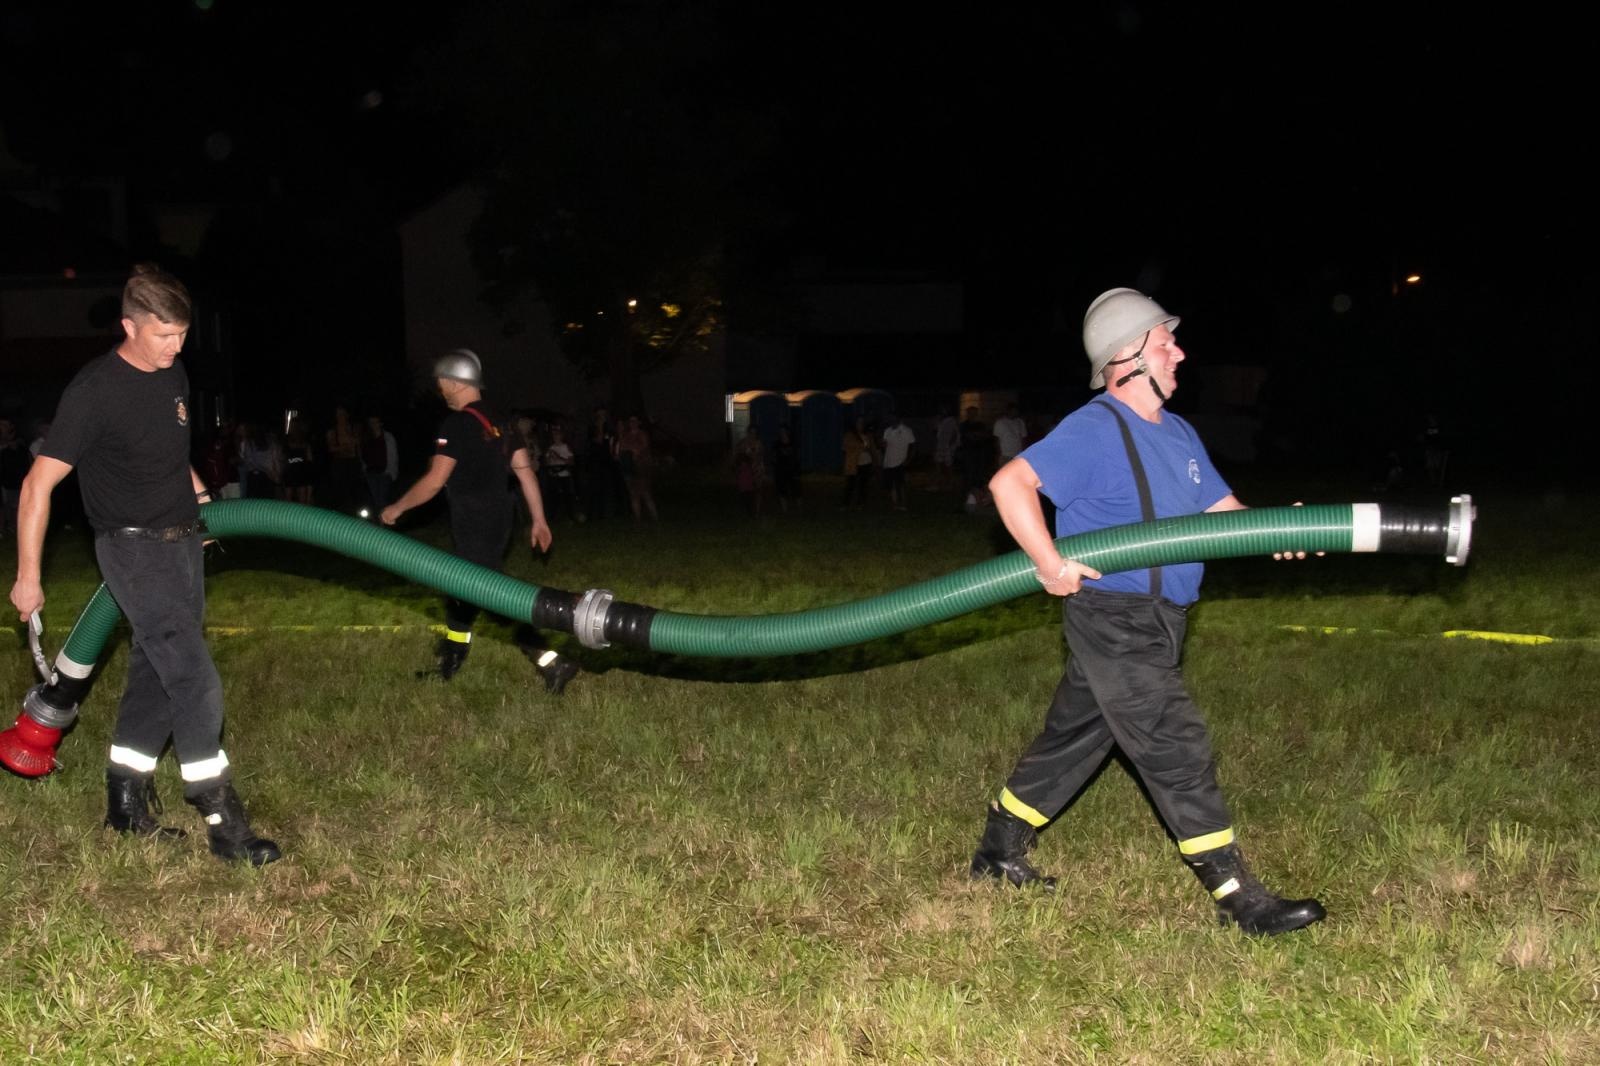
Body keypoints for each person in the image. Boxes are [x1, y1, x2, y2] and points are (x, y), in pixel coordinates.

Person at [967, 286, 1325, 937]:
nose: (1180, 353)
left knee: (1079, 734)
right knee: (1171, 740)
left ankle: (996, 851)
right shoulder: (1095, 428)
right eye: (1167, 342)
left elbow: (1224, 515)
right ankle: (1239, 894)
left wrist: (1279, 530)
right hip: (1115, 613)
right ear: (1127, 355)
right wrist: (1050, 562)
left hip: (1166, 619)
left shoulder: (1180, 433)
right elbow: (1009, 483)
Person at [7, 263, 279, 864]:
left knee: (156, 674)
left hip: (182, 541)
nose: (175, 348)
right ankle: (222, 820)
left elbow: (169, 453)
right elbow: (36, 486)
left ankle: (124, 803)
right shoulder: (94, 391)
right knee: (194, 676)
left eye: (182, 335)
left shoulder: (172, 372)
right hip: (131, 547)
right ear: (129, 325)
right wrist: (28, 577)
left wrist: (204, 506)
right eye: (163, 336)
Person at [380, 348, 580, 693]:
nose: (440, 390)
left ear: (456, 382)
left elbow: (434, 481)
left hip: (474, 521)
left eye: (442, 382)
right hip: (500, 519)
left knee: (492, 597)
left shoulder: (456, 424)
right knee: (461, 593)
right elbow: (525, 473)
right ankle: (450, 662)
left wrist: (396, 508)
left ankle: (552, 662)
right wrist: (539, 520)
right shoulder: (501, 422)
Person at [614, 414, 659, 523]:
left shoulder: (642, 434)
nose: (632, 423)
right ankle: (637, 520)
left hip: (643, 467)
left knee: (645, 492)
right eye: (630, 421)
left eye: (635, 421)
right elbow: (622, 448)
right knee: (633, 494)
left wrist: (632, 450)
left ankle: (655, 518)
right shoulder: (626, 436)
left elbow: (642, 448)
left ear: (638, 423)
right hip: (630, 467)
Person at [541, 421, 583, 522]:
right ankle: (552, 517)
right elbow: (546, 462)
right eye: (554, 435)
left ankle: (570, 516)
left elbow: (571, 461)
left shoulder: (565, 447)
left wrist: (559, 457)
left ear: (561, 436)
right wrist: (550, 463)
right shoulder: (551, 448)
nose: (555, 437)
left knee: (567, 496)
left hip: (564, 475)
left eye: (557, 435)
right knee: (554, 497)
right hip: (554, 475)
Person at [956, 406, 995, 512]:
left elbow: (986, 436)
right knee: (969, 476)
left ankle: (978, 500)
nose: (973, 414)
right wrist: (977, 435)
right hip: (968, 454)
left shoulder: (980, 424)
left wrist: (977, 435)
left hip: (980, 454)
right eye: (971, 412)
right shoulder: (964, 425)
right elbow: (968, 436)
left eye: (974, 412)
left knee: (979, 476)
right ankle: (968, 499)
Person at [0, 416, 31, 537]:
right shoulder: (5, 447)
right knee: (7, 505)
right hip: (6, 480)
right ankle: (6, 528)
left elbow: (27, 459)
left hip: (19, 479)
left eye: (6, 425)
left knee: (18, 505)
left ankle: (16, 528)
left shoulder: (20, 443)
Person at [361, 412, 399, 510]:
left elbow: (393, 455)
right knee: (374, 500)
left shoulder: (387, 437)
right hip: (371, 473)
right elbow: (363, 454)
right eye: (371, 422)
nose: (373, 425)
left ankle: (382, 522)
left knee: (382, 500)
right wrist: (364, 469)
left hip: (384, 473)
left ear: (380, 423)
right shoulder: (366, 437)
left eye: (375, 422)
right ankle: (376, 521)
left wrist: (391, 472)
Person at [879, 412, 916, 512]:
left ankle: (903, 504)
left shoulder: (906, 430)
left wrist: (908, 460)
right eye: (889, 418)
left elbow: (912, 446)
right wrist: (882, 445)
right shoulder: (887, 430)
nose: (891, 420)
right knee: (891, 485)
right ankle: (894, 504)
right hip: (888, 462)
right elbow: (884, 445)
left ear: (898, 419)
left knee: (901, 484)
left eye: (892, 418)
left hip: (900, 461)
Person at [840, 416, 876, 509]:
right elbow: (845, 448)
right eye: (858, 423)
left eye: (862, 423)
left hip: (866, 462)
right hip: (854, 463)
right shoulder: (850, 435)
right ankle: (846, 504)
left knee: (863, 484)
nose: (860, 425)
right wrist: (859, 449)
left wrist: (874, 459)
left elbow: (872, 448)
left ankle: (861, 503)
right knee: (850, 484)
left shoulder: (868, 435)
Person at [733, 424, 768, 516]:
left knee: (758, 489)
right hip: (747, 470)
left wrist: (758, 463)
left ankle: (757, 510)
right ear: (748, 433)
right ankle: (748, 508)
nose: (753, 435)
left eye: (755, 433)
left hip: (757, 468)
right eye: (751, 432)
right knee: (747, 489)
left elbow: (762, 455)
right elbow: (736, 453)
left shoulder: (759, 443)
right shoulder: (743, 443)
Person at [772, 424, 802, 513]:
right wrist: (774, 466)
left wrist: (797, 469)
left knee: (796, 490)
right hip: (781, 470)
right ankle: (784, 510)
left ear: (788, 432)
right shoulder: (777, 443)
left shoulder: (793, 443)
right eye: (780, 432)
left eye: (784, 431)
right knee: (782, 490)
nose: (782, 433)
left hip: (792, 470)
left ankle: (800, 510)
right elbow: (773, 456)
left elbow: (797, 456)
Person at [933, 406, 960, 490]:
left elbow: (955, 434)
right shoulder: (940, 421)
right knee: (938, 463)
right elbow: (936, 433)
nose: (943, 412)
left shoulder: (952, 420)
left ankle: (950, 483)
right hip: (940, 445)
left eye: (945, 410)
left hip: (948, 447)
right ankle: (941, 482)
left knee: (948, 465)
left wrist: (951, 446)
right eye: (942, 411)